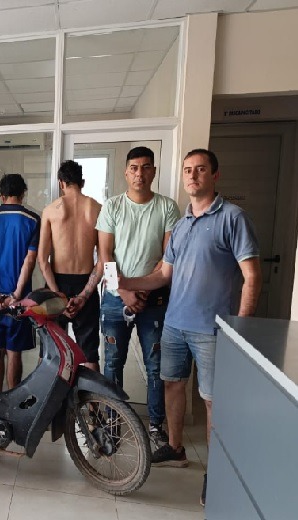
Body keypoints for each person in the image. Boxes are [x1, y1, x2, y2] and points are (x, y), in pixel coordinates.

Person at [119, 149, 261, 506]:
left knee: (214, 402)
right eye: (187, 170)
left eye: (200, 170)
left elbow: (252, 276)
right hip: (175, 324)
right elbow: (162, 276)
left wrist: (240, 328)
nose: (192, 176)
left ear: (215, 175)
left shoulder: (233, 218)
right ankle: (175, 448)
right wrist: (124, 281)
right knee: (172, 384)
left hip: (213, 329)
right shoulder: (181, 225)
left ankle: (217, 475)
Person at [96, 146, 181, 445]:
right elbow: (105, 256)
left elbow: (168, 256)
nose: (139, 174)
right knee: (112, 363)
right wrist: (123, 291)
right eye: (134, 168)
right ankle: (113, 423)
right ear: (126, 172)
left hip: (153, 299)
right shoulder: (112, 206)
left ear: (154, 171)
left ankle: (156, 426)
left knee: (156, 366)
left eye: (146, 167)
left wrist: (143, 289)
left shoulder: (167, 207)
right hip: (114, 298)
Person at [0, 174, 40, 391]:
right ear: (23, 193)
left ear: (1, 195)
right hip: (19, 301)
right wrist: (16, 295)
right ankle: (13, 400)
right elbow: (30, 260)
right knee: (14, 353)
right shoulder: (33, 219)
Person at [38, 160, 102, 371]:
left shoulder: (50, 210)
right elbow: (103, 260)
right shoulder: (97, 209)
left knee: (52, 352)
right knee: (90, 354)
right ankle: (93, 395)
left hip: (57, 283)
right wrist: (84, 295)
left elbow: (43, 261)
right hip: (86, 283)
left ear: (61, 183)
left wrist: (58, 295)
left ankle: (53, 394)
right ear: (82, 182)